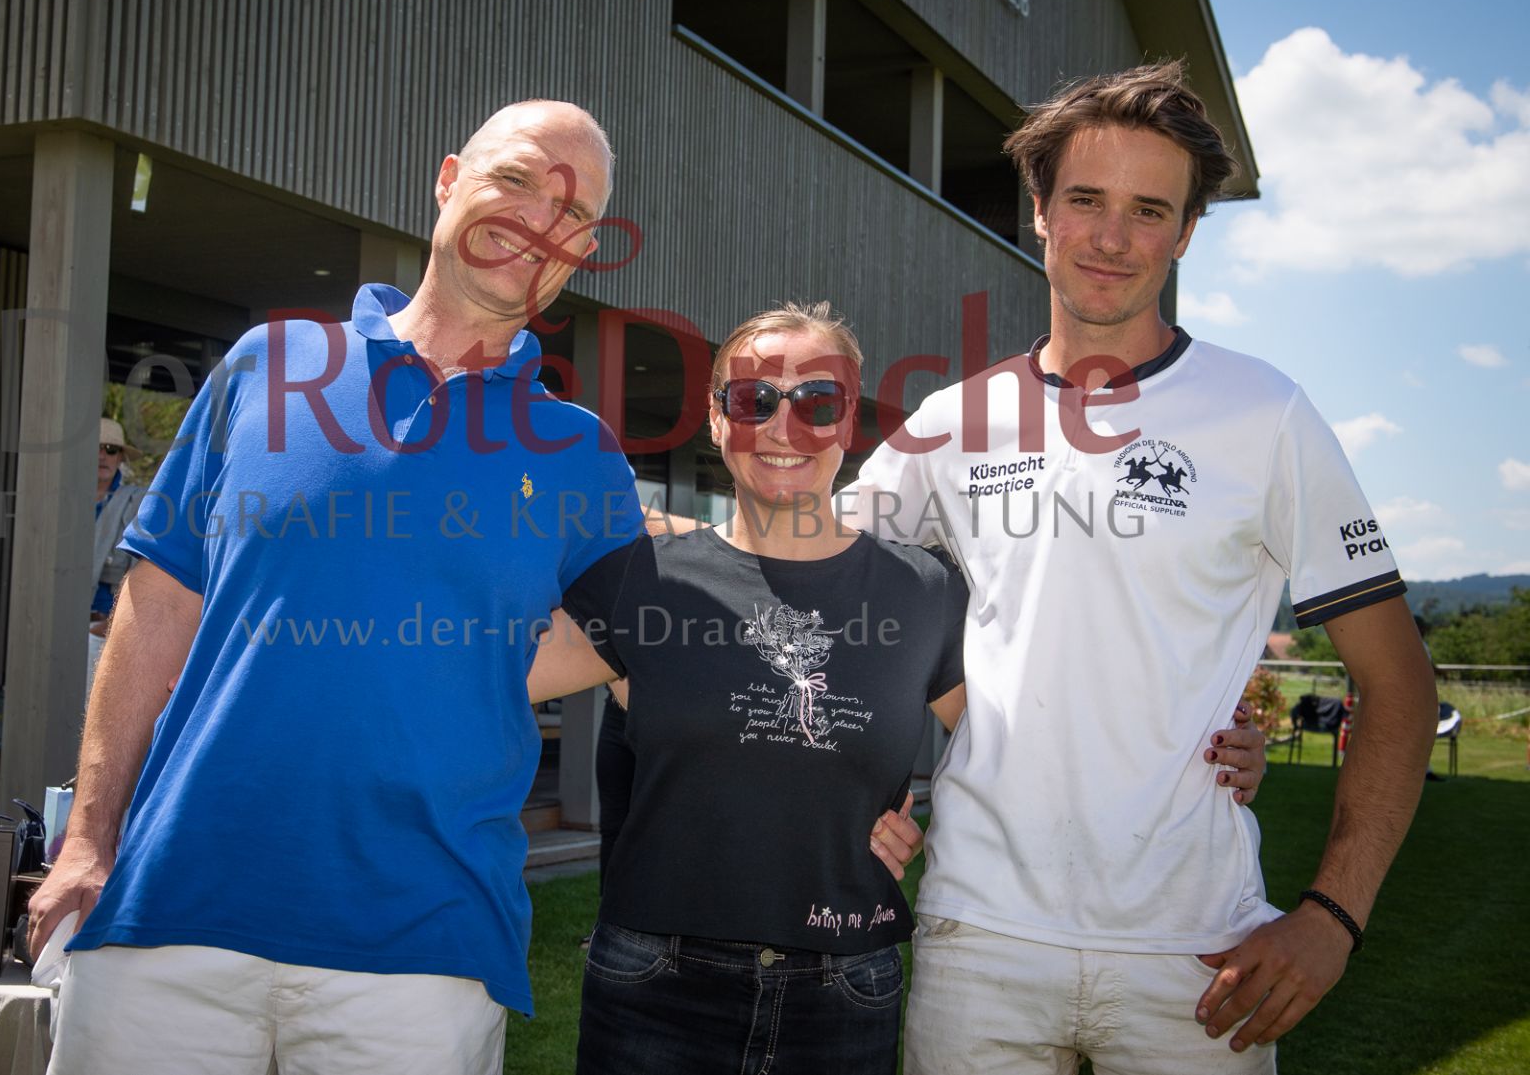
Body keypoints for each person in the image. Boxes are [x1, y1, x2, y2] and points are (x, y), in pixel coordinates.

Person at [837, 62, 1438, 1071]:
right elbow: (805, 568)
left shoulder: (1266, 414)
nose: (1112, 238)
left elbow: (1399, 684)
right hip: (981, 936)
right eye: (1085, 200)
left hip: (1198, 952)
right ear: (1040, 212)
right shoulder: (955, 421)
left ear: (1186, 232)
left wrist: (1334, 914)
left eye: (1149, 210)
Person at [30, 100, 642, 1073]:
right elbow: (157, 605)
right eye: (516, 179)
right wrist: (87, 841)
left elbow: (639, 641)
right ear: (448, 181)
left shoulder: (582, 454)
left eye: (571, 211)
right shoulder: (267, 366)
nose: (537, 220)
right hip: (170, 913)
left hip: (427, 953)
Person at [529, 306, 1263, 1071]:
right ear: (717, 420)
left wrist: (1209, 744)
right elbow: (484, 681)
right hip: (655, 985)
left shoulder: (922, 592)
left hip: (842, 990)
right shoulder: (643, 581)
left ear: (848, 423)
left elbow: (1041, 744)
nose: (784, 425)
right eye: (753, 400)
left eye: (817, 402)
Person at [85, 417, 145, 695]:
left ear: (120, 457)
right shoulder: (61, 498)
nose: (102, 456)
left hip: (103, 631)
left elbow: (141, 572)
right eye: (96, 447)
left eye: (110, 449)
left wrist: (105, 628)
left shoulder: (136, 502)